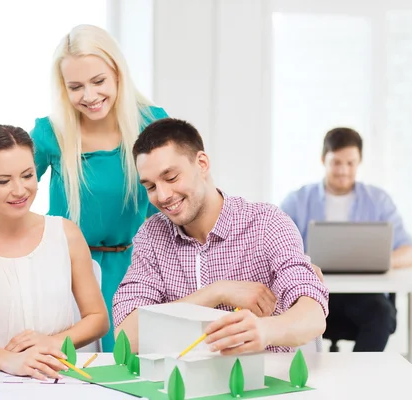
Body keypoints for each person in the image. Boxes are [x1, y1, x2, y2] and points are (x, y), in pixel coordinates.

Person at [112, 118, 329, 354]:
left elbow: (312, 314)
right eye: (150, 187)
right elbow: (127, 338)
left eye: (172, 178)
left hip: (266, 381)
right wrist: (217, 292)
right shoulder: (151, 236)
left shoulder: (267, 223)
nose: (162, 195)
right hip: (184, 386)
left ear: (202, 163)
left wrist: (265, 330)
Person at [30, 24, 168, 351]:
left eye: (98, 81)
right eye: (76, 86)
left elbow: (172, 201)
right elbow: (14, 196)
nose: (89, 96)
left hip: (136, 270)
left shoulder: (152, 122)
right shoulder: (50, 132)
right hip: (65, 274)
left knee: (131, 367)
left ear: (118, 74)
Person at [0, 125, 109, 381]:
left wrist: (51, 343)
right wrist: (12, 361)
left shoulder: (66, 234)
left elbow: (98, 319)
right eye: (4, 181)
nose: (19, 190)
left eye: (27, 175)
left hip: (52, 378)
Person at [280, 127, 412, 352]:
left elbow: (410, 251)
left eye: (350, 163)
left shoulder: (378, 200)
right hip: (313, 291)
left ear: (359, 162)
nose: (343, 170)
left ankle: (359, 381)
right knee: (291, 312)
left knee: (381, 314)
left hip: (362, 295)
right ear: (323, 159)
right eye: (336, 162)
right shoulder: (297, 201)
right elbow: (275, 247)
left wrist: (379, 261)